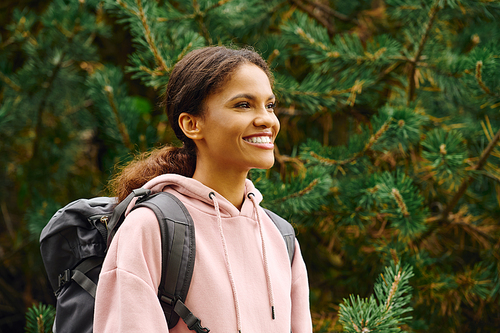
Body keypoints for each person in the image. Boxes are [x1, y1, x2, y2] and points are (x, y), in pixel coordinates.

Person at [94, 46, 312, 333]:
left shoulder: (281, 238)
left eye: (269, 105)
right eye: (243, 105)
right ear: (192, 124)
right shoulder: (151, 227)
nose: (267, 120)